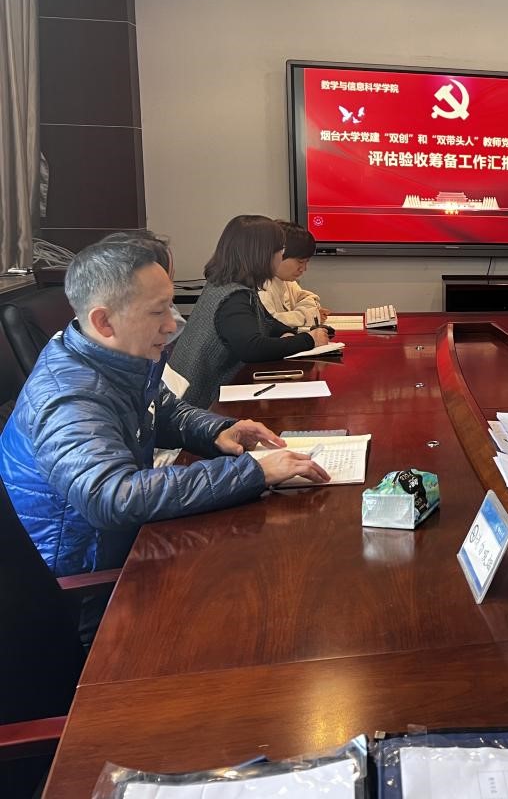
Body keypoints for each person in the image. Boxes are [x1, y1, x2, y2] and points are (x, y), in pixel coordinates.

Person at [0, 238, 329, 582]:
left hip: (126, 542)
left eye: (170, 306)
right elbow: (113, 496)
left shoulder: (114, 356)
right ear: (104, 322)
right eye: (158, 311)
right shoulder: (68, 397)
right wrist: (253, 472)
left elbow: (164, 409)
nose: (172, 324)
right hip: (89, 578)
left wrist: (218, 431)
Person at [169, 215, 330, 408]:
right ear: (263, 254)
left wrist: (288, 334)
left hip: (198, 402)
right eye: (280, 251)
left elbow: (268, 322)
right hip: (198, 407)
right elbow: (252, 348)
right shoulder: (233, 297)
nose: (281, 257)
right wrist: (308, 340)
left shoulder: (230, 286)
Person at [259, 221, 328, 330]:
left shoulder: (287, 281)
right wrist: (308, 315)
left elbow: (310, 298)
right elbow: (271, 323)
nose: (304, 269)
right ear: (277, 254)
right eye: (300, 261)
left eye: (306, 262)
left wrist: (300, 314)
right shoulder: (259, 286)